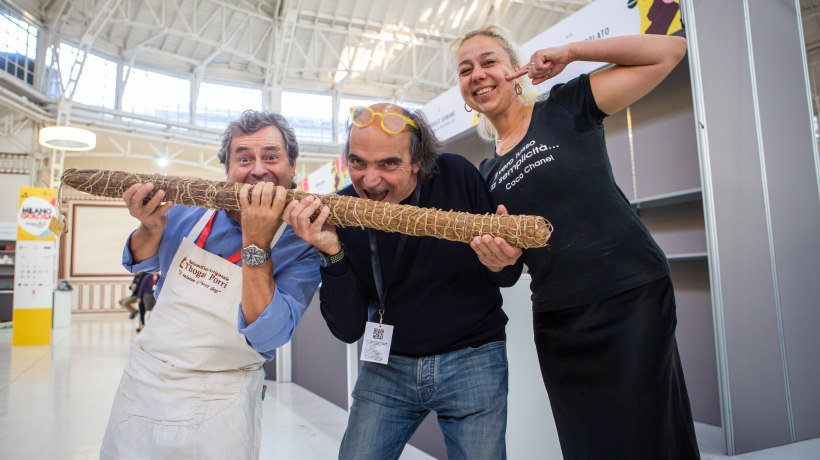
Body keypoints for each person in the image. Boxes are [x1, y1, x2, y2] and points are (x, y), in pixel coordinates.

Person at [452, 26, 699, 459]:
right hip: (559, 320)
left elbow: (670, 50)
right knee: (587, 444)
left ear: (514, 69)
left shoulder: (566, 105)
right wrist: (497, 260)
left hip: (630, 294)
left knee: (646, 435)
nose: (477, 75)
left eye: (488, 61)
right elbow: (509, 270)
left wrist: (573, 51)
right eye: (465, 69)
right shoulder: (486, 173)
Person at [283, 103, 522, 460]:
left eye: (388, 164)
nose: (370, 180)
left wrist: (503, 259)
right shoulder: (345, 208)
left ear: (418, 160)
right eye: (358, 162)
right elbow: (347, 328)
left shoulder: (456, 174)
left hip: (472, 360)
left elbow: (506, 275)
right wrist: (330, 249)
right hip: (387, 366)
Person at [100, 111, 321, 460]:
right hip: (146, 382)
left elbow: (269, 335)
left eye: (271, 157)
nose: (258, 169)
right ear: (228, 170)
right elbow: (139, 259)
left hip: (223, 398)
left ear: (292, 167)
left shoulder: (302, 244)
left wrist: (256, 244)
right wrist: (150, 226)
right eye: (244, 158)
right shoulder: (190, 209)